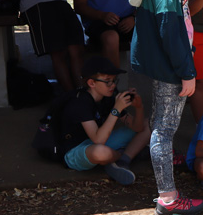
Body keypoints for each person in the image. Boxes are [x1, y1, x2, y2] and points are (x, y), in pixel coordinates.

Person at [129, 0, 203, 215]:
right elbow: (171, 32)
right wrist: (187, 72)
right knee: (164, 129)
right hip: (170, 67)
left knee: (161, 125)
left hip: (163, 64)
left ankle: (167, 193)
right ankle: (168, 198)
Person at [59, 56, 151, 185]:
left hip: (99, 141)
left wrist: (139, 107)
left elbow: (138, 128)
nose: (112, 85)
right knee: (100, 153)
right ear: (91, 83)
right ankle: (123, 155)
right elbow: (98, 140)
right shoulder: (80, 102)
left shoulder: (109, 96)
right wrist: (116, 110)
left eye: (114, 81)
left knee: (150, 124)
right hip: (77, 151)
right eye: (108, 81)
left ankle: (122, 161)